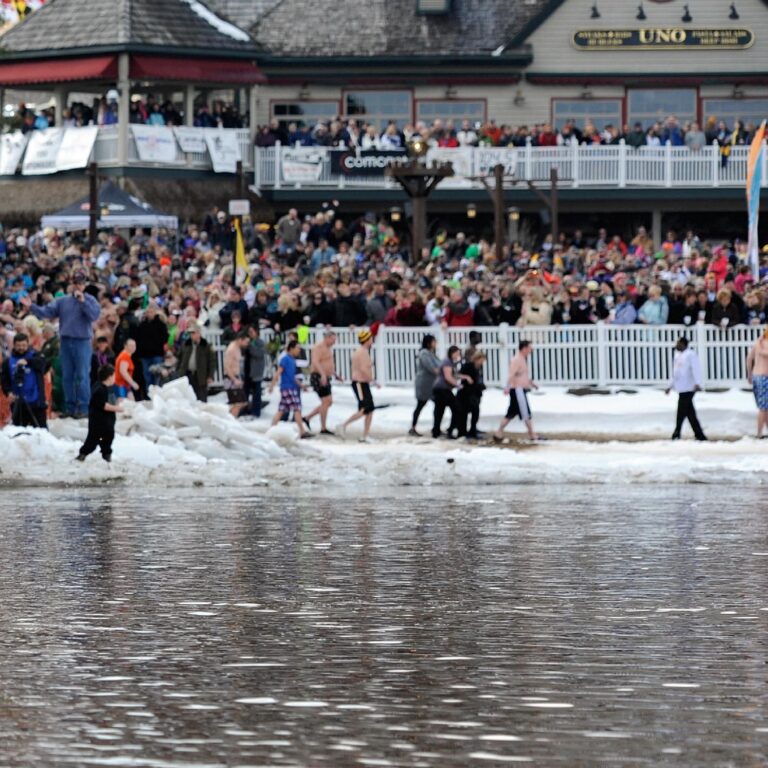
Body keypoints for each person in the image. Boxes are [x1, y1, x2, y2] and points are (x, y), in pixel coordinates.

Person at [22, 270, 100, 418]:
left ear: (85, 284)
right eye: (76, 282)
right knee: (67, 376)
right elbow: (47, 312)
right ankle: (69, 408)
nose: (78, 286)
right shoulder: (63, 301)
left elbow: (94, 315)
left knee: (83, 375)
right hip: (65, 341)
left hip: (82, 341)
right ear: (72, 284)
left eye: (81, 283)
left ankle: (84, 408)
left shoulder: (90, 300)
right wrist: (32, 306)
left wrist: (83, 301)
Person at [75, 364, 123, 463]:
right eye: (114, 375)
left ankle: (107, 456)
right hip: (98, 423)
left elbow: (110, 401)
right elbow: (104, 405)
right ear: (109, 377)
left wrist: (118, 402)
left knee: (108, 440)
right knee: (92, 441)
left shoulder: (108, 388)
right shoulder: (99, 389)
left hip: (108, 423)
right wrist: (118, 409)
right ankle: (82, 455)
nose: (115, 378)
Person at [0, 332, 48, 428]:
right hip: (18, 402)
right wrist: (8, 392)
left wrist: (28, 362)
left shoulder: (35, 355)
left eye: (24, 345)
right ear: (14, 345)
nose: (21, 348)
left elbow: (44, 364)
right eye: (18, 345)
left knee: (41, 431)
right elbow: (4, 380)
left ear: (28, 344)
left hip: (36, 402)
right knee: (18, 431)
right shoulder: (8, 361)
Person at [496, 340, 539, 441]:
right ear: (524, 348)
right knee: (526, 412)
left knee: (511, 413)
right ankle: (532, 434)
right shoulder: (517, 359)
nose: (531, 350)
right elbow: (511, 374)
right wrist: (507, 387)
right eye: (529, 348)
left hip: (519, 389)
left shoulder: (522, 359)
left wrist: (531, 383)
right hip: (517, 390)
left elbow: (522, 374)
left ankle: (499, 432)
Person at [666, 337, 707, 441]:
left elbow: (696, 368)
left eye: (678, 343)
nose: (676, 345)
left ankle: (676, 433)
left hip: (689, 387)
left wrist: (697, 383)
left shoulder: (691, 354)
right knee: (690, 413)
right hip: (681, 387)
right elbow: (675, 373)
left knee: (681, 411)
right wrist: (670, 386)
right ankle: (700, 435)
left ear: (684, 344)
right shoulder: (678, 355)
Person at [268, 339, 311, 437]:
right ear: (291, 348)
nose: (299, 350)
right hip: (288, 388)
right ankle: (302, 431)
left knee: (281, 410)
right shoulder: (285, 359)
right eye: (297, 348)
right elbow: (278, 372)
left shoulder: (292, 360)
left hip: (290, 387)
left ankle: (271, 429)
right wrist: (272, 385)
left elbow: (292, 376)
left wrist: (301, 385)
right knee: (297, 408)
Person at [340, 329, 376, 443]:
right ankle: (343, 425)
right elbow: (363, 368)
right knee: (364, 408)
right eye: (370, 338)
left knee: (370, 409)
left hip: (363, 383)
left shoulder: (362, 351)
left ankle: (365, 435)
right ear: (366, 340)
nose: (372, 340)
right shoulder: (362, 352)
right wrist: (372, 379)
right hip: (359, 383)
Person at [305, 330, 341, 434]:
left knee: (327, 402)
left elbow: (328, 362)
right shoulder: (318, 347)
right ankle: (322, 427)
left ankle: (308, 418)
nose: (334, 342)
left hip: (325, 376)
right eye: (333, 340)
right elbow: (315, 362)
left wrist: (334, 374)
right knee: (327, 401)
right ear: (327, 338)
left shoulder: (328, 348)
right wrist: (323, 375)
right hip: (318, 376)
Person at [431, 344, 465, 439]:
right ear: (452, 353)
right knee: (455, 408)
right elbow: (448, 377)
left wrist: (465, 377)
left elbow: (455, 374)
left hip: (443, 389)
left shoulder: (451, 362)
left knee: (440, 410)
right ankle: (448, 430)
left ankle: (436, 431)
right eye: (457, 353)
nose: (458, 355)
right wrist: (457, 385)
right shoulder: (447, 362)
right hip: (442, 389)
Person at [176, 324, 216, 402]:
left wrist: (210, 375)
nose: (192, 335)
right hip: (187, 374)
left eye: (194, 333)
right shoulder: (186, 344)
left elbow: (212, 362)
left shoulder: (206, 345)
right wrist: (179, 372)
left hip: (201, 375)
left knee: (201, 398)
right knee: (188, 398)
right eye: (191, 333)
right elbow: (180, 358)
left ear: (199, 333)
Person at [410, 333, 440, 437]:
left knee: (438, 404)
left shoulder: (431, 353)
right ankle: (413, 427)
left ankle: (436, 427)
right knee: (421, 404)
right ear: (429, 343)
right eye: (434, 341)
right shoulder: (424, 354)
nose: (436, 343)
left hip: (431, 385)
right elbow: (432, 368)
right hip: (424, 385)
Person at [458, 351, 487, 439]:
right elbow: (458, 374)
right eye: (481, 360)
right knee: (465, 413)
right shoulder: (468, 365)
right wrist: (467, 377)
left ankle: (473, 430)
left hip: (475, 393)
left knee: (475, 412)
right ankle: (463, 432)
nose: (482, 362)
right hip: (466, 393)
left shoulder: (478, 367)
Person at [746, 328, 768, 438]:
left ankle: (763, 431)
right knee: (763, 407)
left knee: (764, 406)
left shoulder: (758, 343)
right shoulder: (765, 344)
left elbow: (749, 359)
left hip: (756, 376)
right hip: (765, 377)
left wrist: (749, 374)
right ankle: (759, 433)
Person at [223, 331, 250, 417]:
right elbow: (227, 366)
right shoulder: (231, 349)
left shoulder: (238, 348)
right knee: (237, 403)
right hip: (230, 378)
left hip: (236, 376)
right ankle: (231, 419)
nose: (247, 344)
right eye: (246, 342)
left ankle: (229, 417)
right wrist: (234, 379)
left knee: (242, 402)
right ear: (240, 340)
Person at [244, 324, 267, 417]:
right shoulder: (247, 342)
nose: (250, 334)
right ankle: (245, 410)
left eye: (252, 332)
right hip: (247, 370)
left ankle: (256, 412)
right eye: (249, 332)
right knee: (245, 393)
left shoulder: (260, 342)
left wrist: (250, 346)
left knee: (256, 393)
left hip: (256, 372)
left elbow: (259, 354)